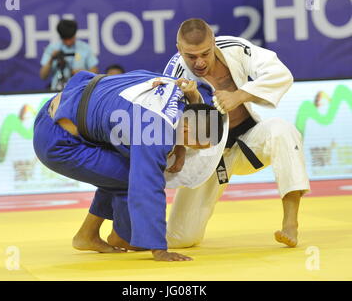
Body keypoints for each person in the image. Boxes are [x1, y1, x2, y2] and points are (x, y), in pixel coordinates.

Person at [33, 69, 224, 261]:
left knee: (117, 169)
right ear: (186, 128)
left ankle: (87, 235)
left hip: (64, 104)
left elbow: (201, 106)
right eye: (195, 144)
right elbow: (148, 188)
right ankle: (122, 237)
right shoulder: (154, 133)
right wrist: (159, 249)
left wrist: (181, 144)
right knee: (130, 176)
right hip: (58, 141)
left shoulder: (180, 88)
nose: (194, 149)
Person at [163, 18, 310, 249]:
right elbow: (171, 125)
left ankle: (290, 221)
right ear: (179, 49)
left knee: (283, 130)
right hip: (209, 158)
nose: (199, 62)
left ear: (213, 43)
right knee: (180, 239)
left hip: (249, 143)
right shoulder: (174, 75)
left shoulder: (234, 47)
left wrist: (240, 95)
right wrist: (180, 149)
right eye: (191, 56)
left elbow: (281, 74)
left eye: (205, 53)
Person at [40, 20, 99, 91]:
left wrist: (84, 73)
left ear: (75, 34)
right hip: (58, 92)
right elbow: (43, 76)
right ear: (61, 37)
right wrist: (51, 59)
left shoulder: (85, 48)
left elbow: (95, 72)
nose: (68, 43)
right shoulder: (52, 48)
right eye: (65, 39)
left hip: (80, 91)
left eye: (70, 38)